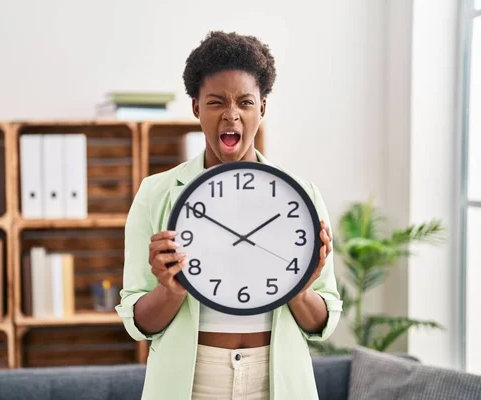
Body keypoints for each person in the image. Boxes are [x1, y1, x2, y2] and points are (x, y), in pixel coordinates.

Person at [115, 31, 342, 400]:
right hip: (192, 380)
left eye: (246, 102)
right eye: (216, 102)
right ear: (196, 107)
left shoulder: (302, 195)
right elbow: (139, 323)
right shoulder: (155, 194)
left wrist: (299, 288)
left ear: (262, 108)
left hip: (276, 377)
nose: (231, 114)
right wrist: (170, 290)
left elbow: (322, 323)